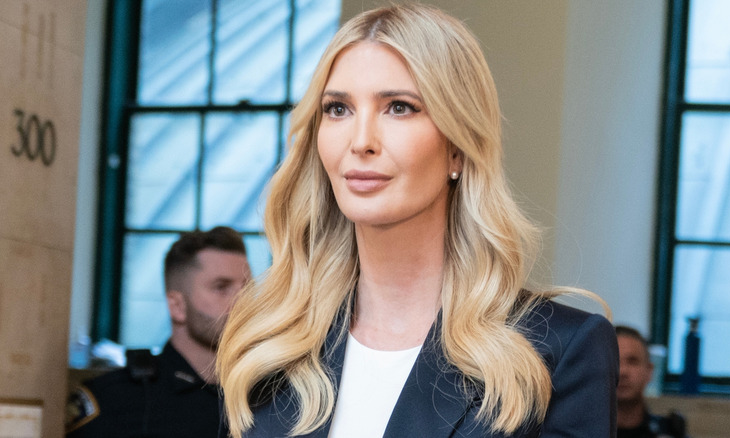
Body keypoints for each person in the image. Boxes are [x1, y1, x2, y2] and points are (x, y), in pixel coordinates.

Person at [217, 4, 618, 438]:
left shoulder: (559, 351)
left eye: (399, 107)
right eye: (338, 109)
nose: (361, 141)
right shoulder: (268, 341)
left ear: (457, 148)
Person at [66, 226, 251, 438]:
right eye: (221, 287)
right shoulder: (118, 401)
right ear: (177, 306)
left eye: (247, 287)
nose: (242, 301)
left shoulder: (267, 397)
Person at [616, 325, 686, 438]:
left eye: (632, 362)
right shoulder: (580, 432)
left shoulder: (670, 432)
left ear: (649, 371)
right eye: (614, 362)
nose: (622, 372)